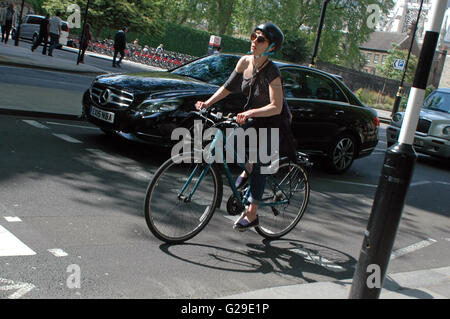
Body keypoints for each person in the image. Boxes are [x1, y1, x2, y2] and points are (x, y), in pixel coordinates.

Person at [195, 22, 296, 232]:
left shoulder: (272, 71)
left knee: (260, 163)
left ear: (271, 46)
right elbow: (227, 87)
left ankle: (252, 214)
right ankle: (247, 169)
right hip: (254, 119)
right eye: (253, 36)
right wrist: (207, 103)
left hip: (273, 121)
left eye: (260, 39)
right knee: (231, 144)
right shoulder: (244, 62)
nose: (254, 41)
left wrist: (250, 112)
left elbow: (276, 107)